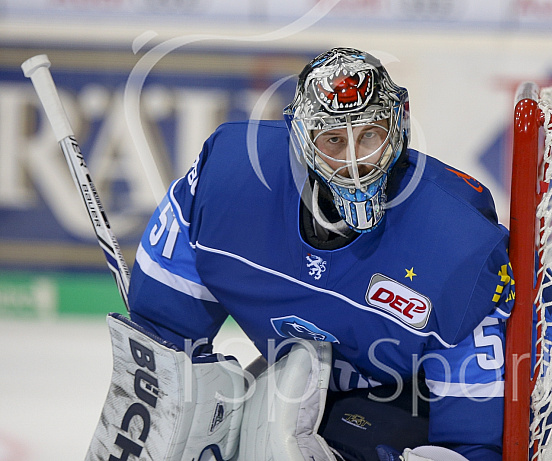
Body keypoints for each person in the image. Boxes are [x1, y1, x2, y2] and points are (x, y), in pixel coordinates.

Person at [86, 47, 515, 461]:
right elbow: (164, 334)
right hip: (286, 388)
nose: (354, 162)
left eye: (369, 134)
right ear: (300, 137)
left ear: (399, 122)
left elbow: (471, 442)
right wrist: (164, 398)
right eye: (333, 139)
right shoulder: (228, 183)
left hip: (406, 401)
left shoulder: (458, 244)